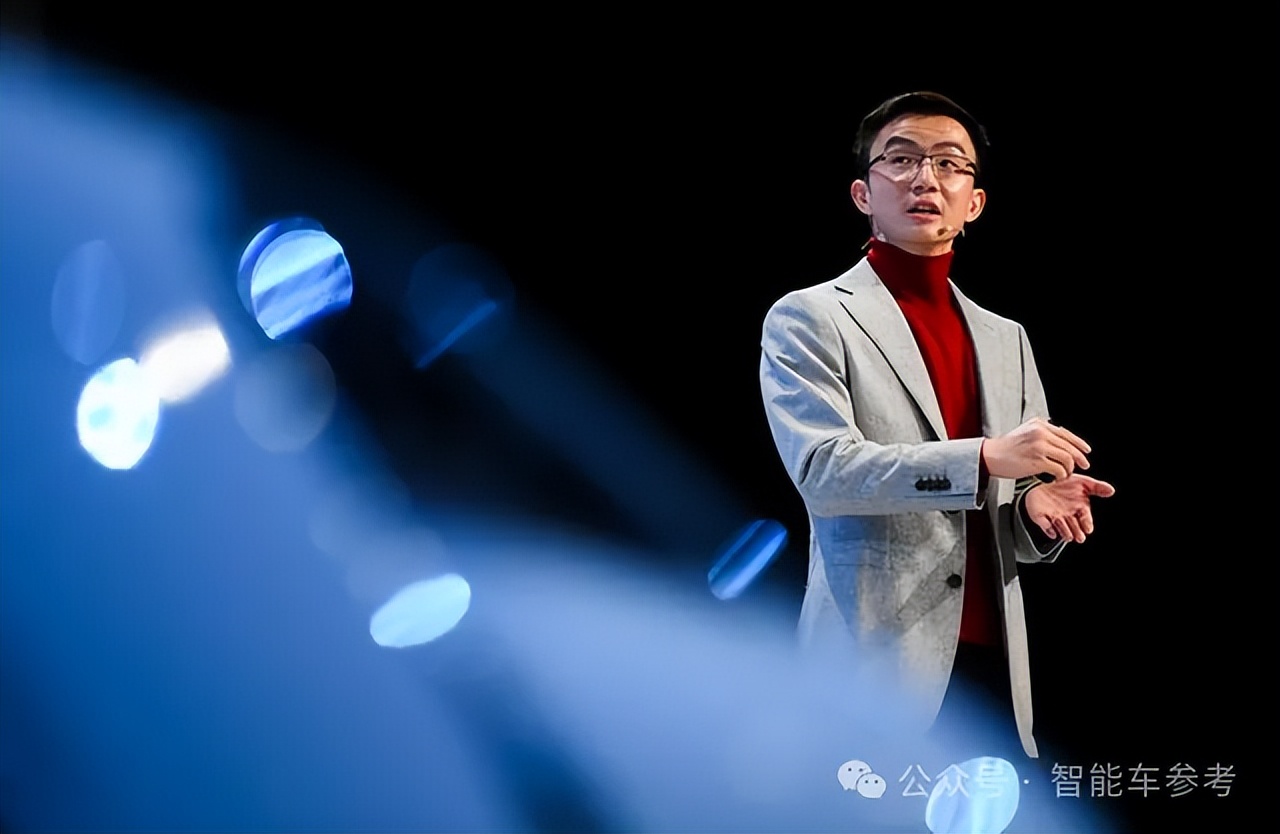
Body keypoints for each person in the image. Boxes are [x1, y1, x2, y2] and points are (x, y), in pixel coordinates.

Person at [758, 91, 1115, 760]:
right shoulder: (810, 317)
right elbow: (825, 473)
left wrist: (1034, 510)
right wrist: (983, 459)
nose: (925, 177)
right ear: (863, 194)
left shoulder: (1007, 339)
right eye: (901, 159)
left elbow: (1008, 504)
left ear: (973, 202)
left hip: (993, 670)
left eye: (949, 163)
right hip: (872, 664)